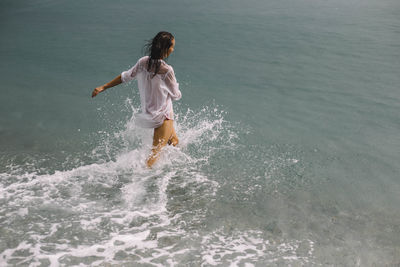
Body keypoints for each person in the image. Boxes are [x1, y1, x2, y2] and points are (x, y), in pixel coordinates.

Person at [91, 31, 181, 168]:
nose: (173, 49)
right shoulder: (167, 70)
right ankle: (141, 180)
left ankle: (173, 171)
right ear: (165, 49)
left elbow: (125, 77)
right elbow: (176, 95)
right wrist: (175, 87)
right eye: (172, 46)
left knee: (174, 141)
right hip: (164, 116)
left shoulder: (143, 62)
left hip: (149, 113)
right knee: (154, 157)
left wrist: (103, 87)